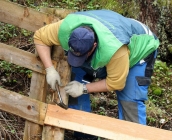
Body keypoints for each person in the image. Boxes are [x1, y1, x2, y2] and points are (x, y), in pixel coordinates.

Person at [34, 9, 159, 137]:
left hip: (139, 50)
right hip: (105, 39)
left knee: (130, 101)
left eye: (81, 56)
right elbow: (40, 37)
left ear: (93, 46)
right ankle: (84, 136)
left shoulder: (115, 49)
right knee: (72, 87)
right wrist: (49, 69)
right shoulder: (66, 28)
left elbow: (116, 83)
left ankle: (135, 137)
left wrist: (83, 88)